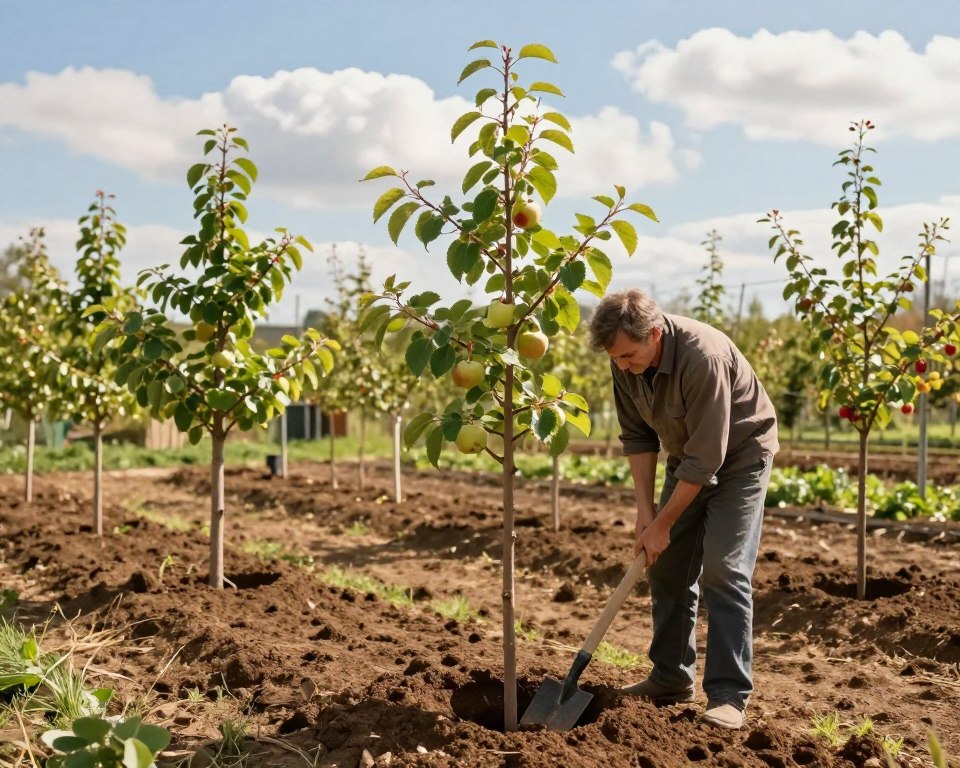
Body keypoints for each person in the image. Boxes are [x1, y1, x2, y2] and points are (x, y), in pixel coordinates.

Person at [587, 289, 778, 730]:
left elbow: (708, 458)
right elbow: (637, 436)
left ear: (655, 333)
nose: (622, 365)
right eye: (615, 358)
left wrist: (665, 522)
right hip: (687, 457)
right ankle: (670, 678)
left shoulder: (702, 356)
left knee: (723, 568)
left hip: (740, 459)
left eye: (629, 356)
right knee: (667, 566)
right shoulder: (625, 358)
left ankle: (729, 695)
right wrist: (646, 513)